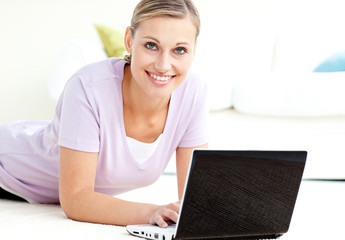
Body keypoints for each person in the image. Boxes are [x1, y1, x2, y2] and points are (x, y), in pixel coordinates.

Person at [0, 0, 208, 228]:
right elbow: (75, 199)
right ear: (129, 40)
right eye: (151, 45)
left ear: (193, 51)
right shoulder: (88, 87)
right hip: (6, 170)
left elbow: (196, 201)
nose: (163, 65)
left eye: (179, 50)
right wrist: (152, 212)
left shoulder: (192, 92)